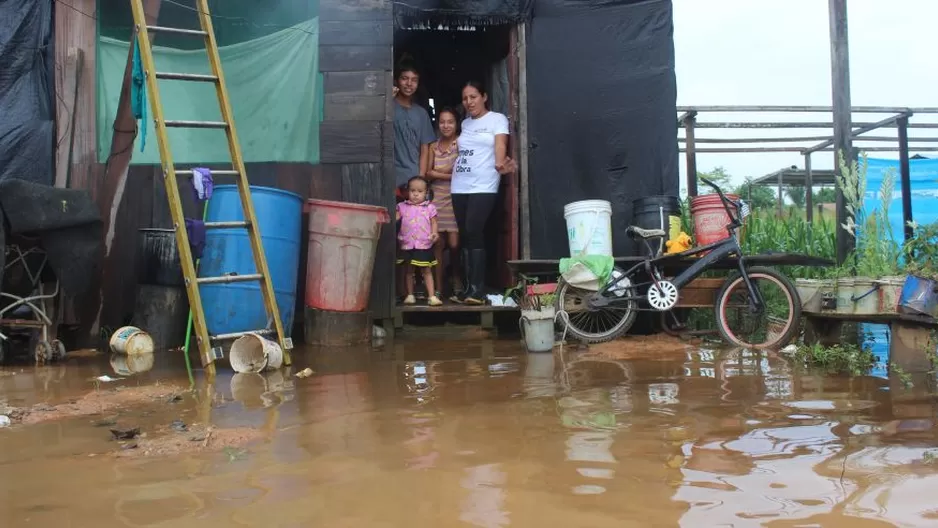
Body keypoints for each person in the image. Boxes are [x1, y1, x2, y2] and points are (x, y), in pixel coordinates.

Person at [450, 81, 516, 305]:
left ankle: (477, 291)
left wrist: (500, 161)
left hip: (483, 184)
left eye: (473, 97)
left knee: (474, 230)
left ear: (484, 96)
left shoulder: (497, 119)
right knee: (464, 235)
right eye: (465, 98)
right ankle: (468, 289)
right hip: (459, 184)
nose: (469, 102)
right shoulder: (465, 123)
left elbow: (500, 144)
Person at [392, 63, 436, 299]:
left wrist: (420, 181)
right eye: (404, 78)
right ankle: (398, 290)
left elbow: (425, 147)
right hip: (393, 179)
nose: (409, 83)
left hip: (414, 183)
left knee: (417, 236)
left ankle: (416, 289)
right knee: (396, 236)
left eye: (414, 79)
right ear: (396, 81)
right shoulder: (388, 106)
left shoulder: (421, 114)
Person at [425, 107, 462, 298]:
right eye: (442, 122)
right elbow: (427, 173)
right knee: (438, 245)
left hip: (456, 197)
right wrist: (450, 174)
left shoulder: (462, 143)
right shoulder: (433, 146)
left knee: (455, 244)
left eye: (450, 122)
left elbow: (461, 172)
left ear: (457, 124)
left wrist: (438, 173)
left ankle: (456, 277)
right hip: (437, 199)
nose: (446, 125)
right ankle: (439, 288)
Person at [396, 176, 442, 306]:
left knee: (426, 270)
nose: (416, 194)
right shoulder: (401, 206)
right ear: (407, 191)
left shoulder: (430, 207)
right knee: (409, 271)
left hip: (423, 243)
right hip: (407, 243)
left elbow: (434, 222)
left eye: (420, 191)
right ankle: (410, 295)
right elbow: (396, 219)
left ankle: (432, 296)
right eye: (412, 191)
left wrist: (434, 233)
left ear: (426, 193)